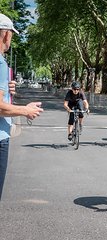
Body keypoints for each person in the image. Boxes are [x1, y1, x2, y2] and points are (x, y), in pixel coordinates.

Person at [0, 13, 43, 200]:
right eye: (11, 35)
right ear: (6, 34)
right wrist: (26, 110)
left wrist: (8, 91)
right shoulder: (0, 62)